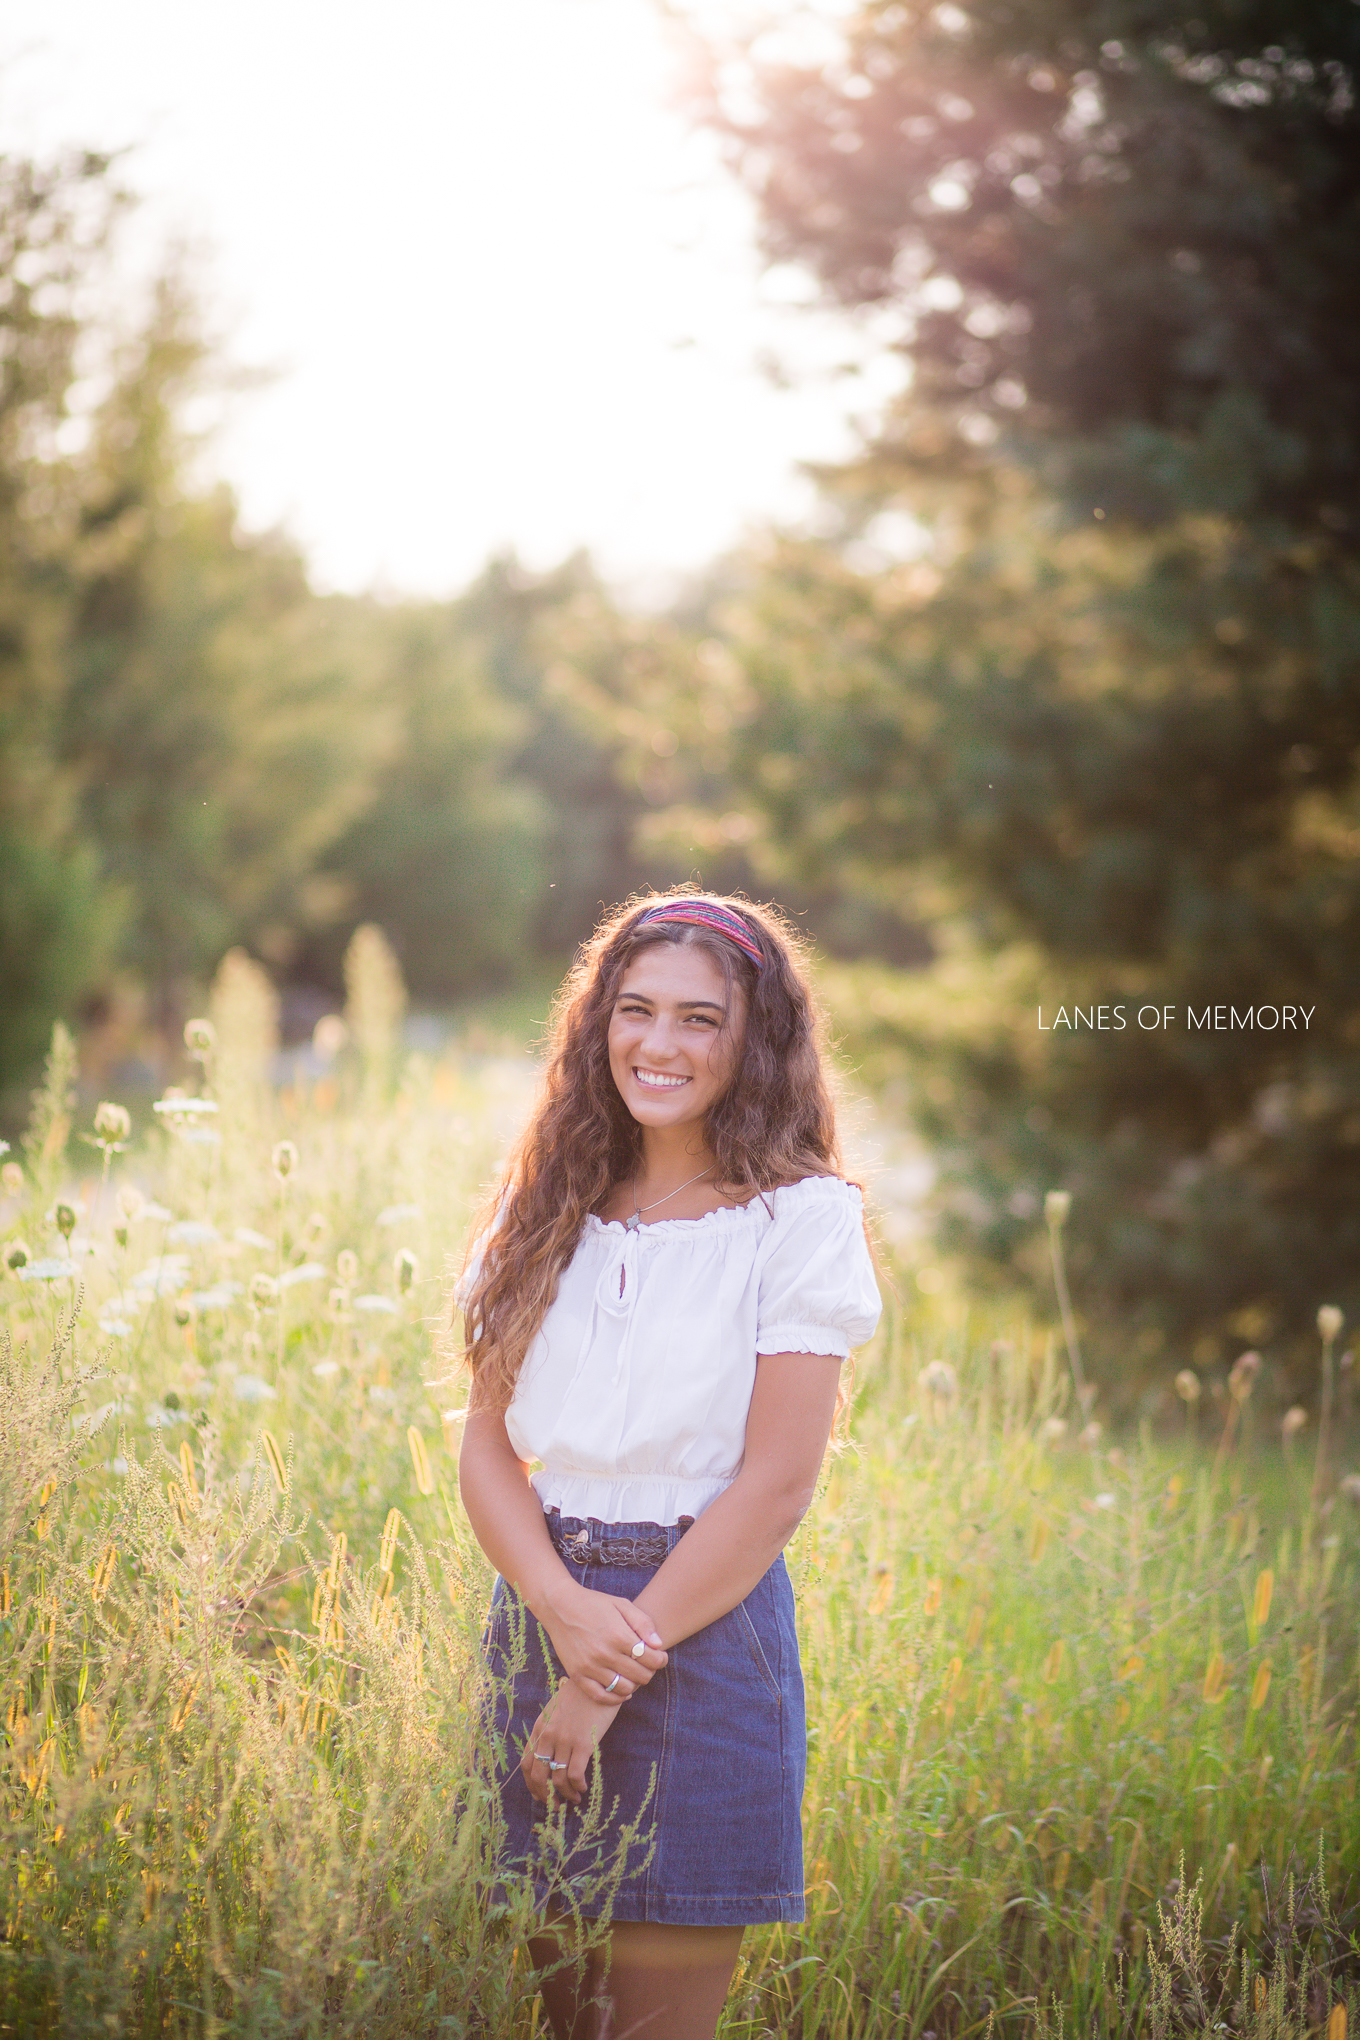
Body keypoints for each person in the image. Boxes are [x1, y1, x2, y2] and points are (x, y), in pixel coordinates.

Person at [456, 891, 882, 2040]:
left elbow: (775, 1487)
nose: (660, 1044)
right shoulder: (543, 1205)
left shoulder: (797, 1221)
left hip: (701, 1627)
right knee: (569, 2021)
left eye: (700, 1019)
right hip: (542, 1610)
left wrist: (599, 1678)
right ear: (597, 1025)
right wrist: (557, 1609)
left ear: (754, 1041)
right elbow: (487, 1446)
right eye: (635, 1011)